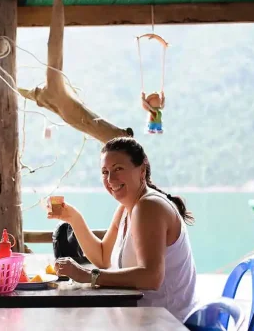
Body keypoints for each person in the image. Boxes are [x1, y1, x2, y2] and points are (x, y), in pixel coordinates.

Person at [48, 137, 197, 321]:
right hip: (140, 319)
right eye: (105, 172)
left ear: (142, 170)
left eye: (118, 169)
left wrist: (88, 275)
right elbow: (103, 257)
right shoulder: (126, 208)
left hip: (166, 323)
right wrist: (73, 218)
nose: (110, 179)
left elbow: (152, 277)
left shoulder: (149, 206)